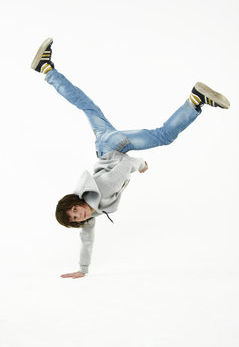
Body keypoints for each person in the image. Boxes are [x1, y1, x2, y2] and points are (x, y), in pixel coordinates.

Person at [31, 38, 230, 279]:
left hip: (114, 147)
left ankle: (195, 99)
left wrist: (141, 165)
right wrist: (82, 269)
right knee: (87, 106)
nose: (79, 215)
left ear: (75, 201)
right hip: (104, 146)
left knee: (163, 136)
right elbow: (87, 239)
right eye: (75, 218)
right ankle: (46, 68)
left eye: (75, 210)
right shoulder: (91, 211)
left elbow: (126, 165)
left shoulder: (100, 192)